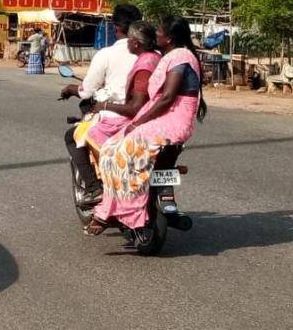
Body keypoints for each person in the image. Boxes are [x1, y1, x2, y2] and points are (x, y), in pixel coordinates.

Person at [87, 16, 205, 238]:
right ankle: (111, 209)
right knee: (112, 148)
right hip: (164, 118)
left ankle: (120, 211)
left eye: (159, 31)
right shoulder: (171, 56)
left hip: (172, 122)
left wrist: (139, 122)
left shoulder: (179, 57)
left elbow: (167, 97)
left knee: (118, 153)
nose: (156, 34)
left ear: (169, 38)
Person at [66, 21, 159, 206]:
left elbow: (87, 91)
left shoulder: (110, 55)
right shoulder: (158, 56)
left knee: (73, 136)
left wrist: (104, 105)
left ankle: (95, 188)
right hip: (155, 115)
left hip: (124, 114)